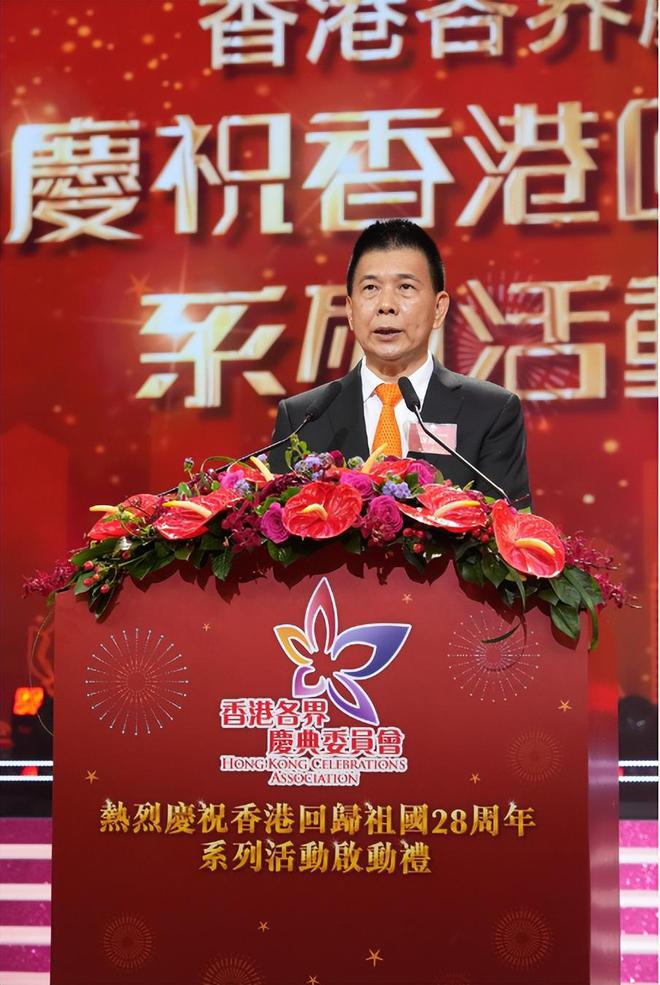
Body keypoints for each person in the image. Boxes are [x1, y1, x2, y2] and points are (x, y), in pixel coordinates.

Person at [270, 219, 531, 506]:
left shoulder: (489, 412)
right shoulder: (302, 419)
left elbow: (508, 524)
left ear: (438, 308)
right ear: (350, 311)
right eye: (371, 287)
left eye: (405, 287)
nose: (386, 305)